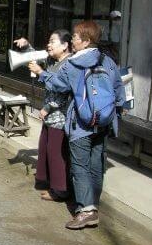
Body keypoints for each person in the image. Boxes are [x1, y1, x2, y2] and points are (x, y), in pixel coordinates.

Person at [29, 21, 125, 230]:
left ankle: (86, 210)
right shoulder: (107, 61)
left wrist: (41, 74)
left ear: (86, 40)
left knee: (80, 166)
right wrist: (116, 111)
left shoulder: (74, 64)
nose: (72, 40)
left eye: (75, 37)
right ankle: (93, 205)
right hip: (103, 122)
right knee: (96, 165)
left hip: (81, 123)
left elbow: (57, 84)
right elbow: (119, 88)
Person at [14, 30, 72, 202]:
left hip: (60, 117)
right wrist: (26, 46)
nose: (49, 44)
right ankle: (47, 181)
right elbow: (37, 57)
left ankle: (60, 190)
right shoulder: (54, 61)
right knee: (45, 148)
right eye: (49, 41)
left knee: (56, 153)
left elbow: (64, 91)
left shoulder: (68, 64)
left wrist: (48, 107)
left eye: (53, 41)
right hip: (50, 116)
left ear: (65, 45)